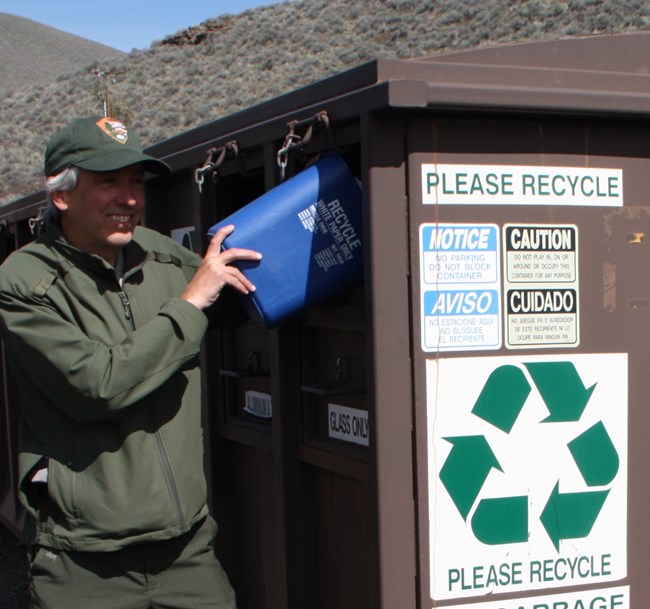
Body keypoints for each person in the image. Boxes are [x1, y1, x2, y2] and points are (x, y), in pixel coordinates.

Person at [0, 116, 262, 609]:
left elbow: (235, 299)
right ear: (61, 195)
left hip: (187, 550)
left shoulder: (163, 256)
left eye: (136, 182)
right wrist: (189, 305)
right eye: (108, 183)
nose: (129, 198)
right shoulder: (25, 281)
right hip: (85, 562)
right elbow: (99, 385)